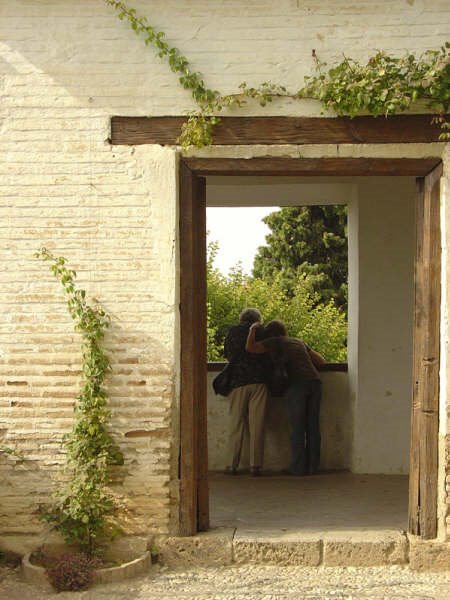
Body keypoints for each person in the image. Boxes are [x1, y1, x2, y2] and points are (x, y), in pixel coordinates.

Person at [246, 319, 325, 476]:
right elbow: (321, 361)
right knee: (313, 427)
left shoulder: (272, 342)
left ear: (269, 333)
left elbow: (250, 348)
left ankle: (298, 468)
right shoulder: (298, 341)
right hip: (315, 382)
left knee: (298, 427)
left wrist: (252, 330)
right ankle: (313, 467)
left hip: (296, 384)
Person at [223, 307, 269, 477]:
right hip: (259, 381)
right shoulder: (263, 332)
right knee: (257, 424)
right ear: (258, 319)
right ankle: (255, 466)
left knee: (236, 423)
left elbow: (227, 355)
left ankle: (231, 465)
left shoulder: (233, 331)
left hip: (238, 381)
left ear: (241, 318)